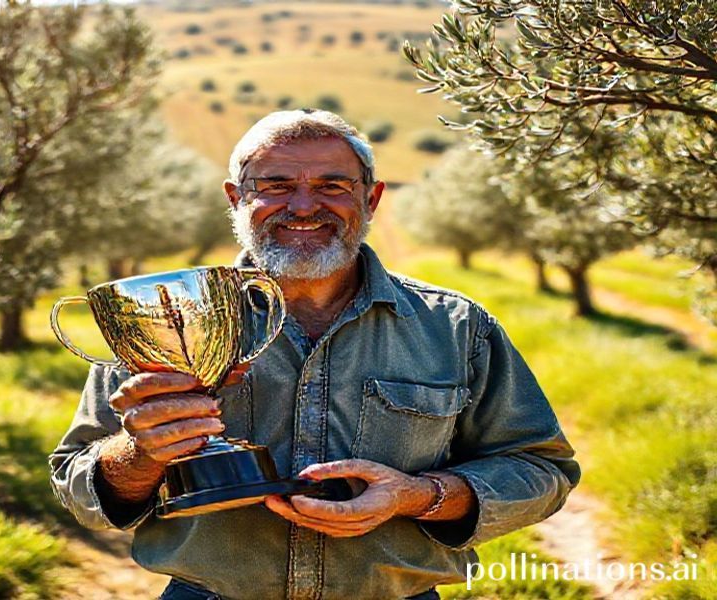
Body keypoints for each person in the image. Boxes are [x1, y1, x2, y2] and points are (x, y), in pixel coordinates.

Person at [49, 109, 581, 600]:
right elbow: (77, 484)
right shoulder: (166, 320)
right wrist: (141, 455)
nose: (304, 206)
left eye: (332, 186)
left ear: (370, 200)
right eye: (276, 185)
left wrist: (415, 495)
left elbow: (540, 469)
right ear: (236, 199)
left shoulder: (456, 328)